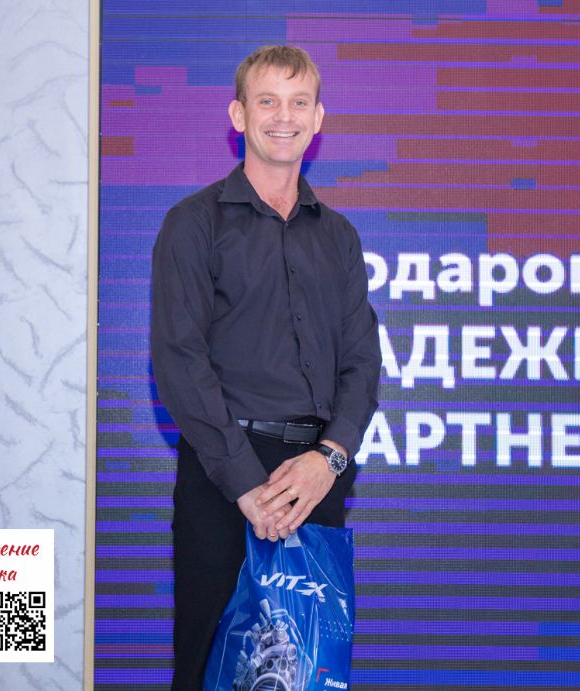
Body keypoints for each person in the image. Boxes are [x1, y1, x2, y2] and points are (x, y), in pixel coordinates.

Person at [149, 45, 382, 689]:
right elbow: (179, 361)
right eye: (268, 101)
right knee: (209, 670)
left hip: (315, 483)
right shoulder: (192, 225)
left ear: (318, 119)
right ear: (239, 114)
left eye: (299, 102)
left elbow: (362, 362)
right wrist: (248, 487)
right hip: (223, 480)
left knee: (308, 675)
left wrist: (327, 460)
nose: (285, 116)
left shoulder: (339, 236)